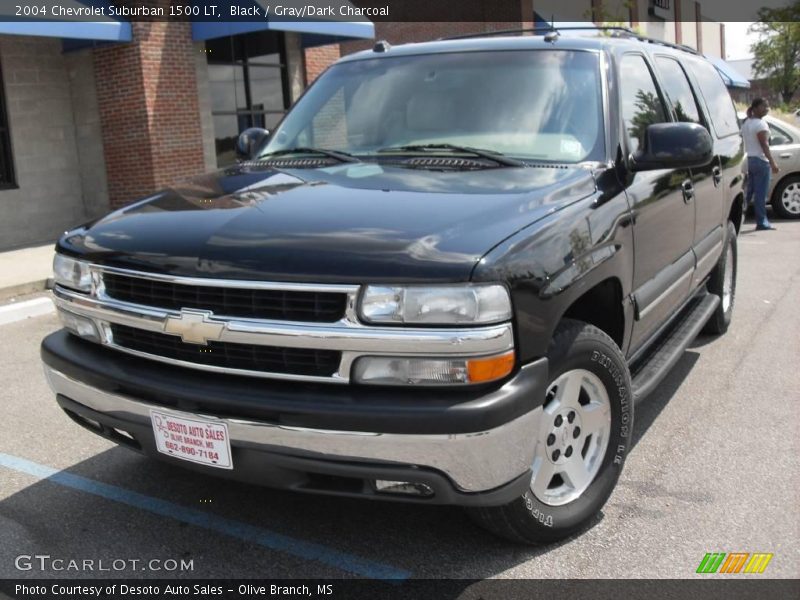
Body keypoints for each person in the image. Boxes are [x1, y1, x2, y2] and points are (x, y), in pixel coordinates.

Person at [741, 98, 779, 231]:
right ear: (755, 108)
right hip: (760, 161)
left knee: (748, 193)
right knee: (760, 194)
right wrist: (773, 163)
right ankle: (762, 222)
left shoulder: (746, 123)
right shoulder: (761, 124)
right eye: (764, 106)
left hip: (748, 160)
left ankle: (739, 217)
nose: (767, 108)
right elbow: (764, 145)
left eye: (767, 106)